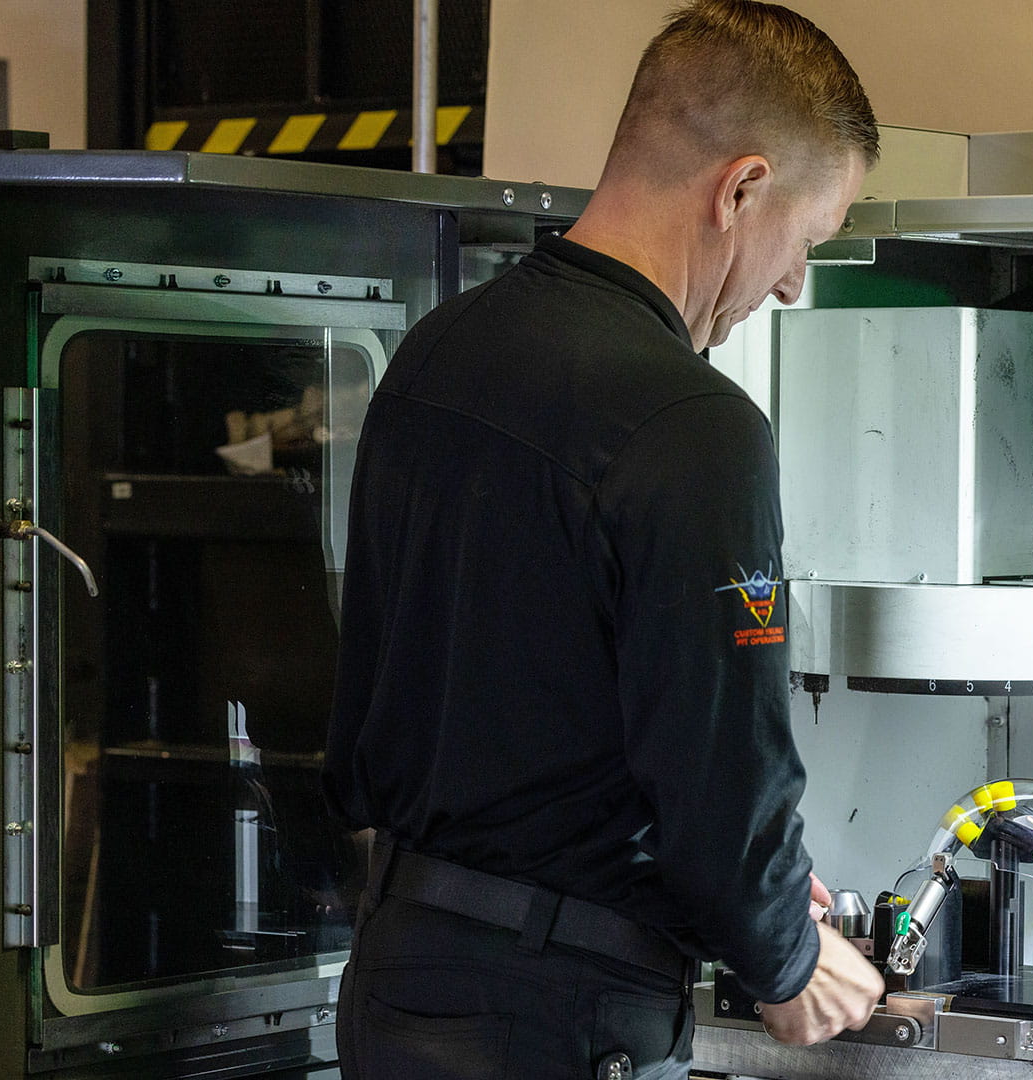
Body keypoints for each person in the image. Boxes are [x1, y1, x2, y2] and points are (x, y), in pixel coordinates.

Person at [321, 2, 885, 1076]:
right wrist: (786, 956)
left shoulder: (436, 356)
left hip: (398, 981)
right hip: (563, 1014)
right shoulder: (691, 423)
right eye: (804, 241)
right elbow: (720, 759)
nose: (792, 283)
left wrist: (752, 893)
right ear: (742, 189)